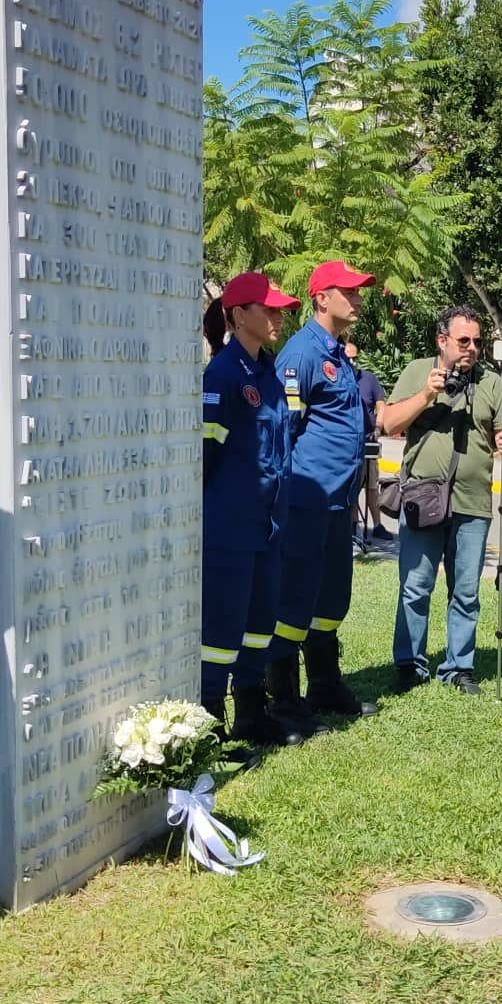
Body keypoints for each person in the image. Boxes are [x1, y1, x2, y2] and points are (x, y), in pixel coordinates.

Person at [379, 305, 502, 695]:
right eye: (463, 340)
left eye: (477, 341)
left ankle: (459, 667)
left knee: (467, 591)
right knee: (415, 587)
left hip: (473, 503)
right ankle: (409, 664)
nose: (471, 348)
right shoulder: (417, 371)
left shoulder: (492, 382)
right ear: (442, 341)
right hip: (424, 498)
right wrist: (428, 392)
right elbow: (389, 423)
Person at [268, 261, 381, 725]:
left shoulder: (338, 352)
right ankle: (283, 695)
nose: (357, 300)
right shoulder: (301, 355)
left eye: (358, 293)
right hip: (306, 499)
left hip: (339, 500)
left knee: (332, 597)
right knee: (296, 597)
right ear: (322, 298)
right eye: (348, 292)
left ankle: (324, 684)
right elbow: (282, 432)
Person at [200, 273, 305, 748]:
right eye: (269, 310)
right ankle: (208, 717)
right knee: (223, 622)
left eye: (280, 309)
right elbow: (205, 456)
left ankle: (250, 711)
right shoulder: (223, 375)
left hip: (269, 522)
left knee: (260, 620)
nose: (278, 317)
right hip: (231, 523)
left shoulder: (269, 371)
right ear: (240, 315)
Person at [349, 341, 391, 554]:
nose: (352, 362)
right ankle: (355, 525)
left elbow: (381, 405)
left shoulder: (369, 379)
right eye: (348, 358)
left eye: (355, 358)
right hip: (348, 443)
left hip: (368, 440)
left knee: (372, 485)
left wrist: (378, 426)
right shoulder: (341, 378)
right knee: (353, 486)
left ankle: (378, 524)